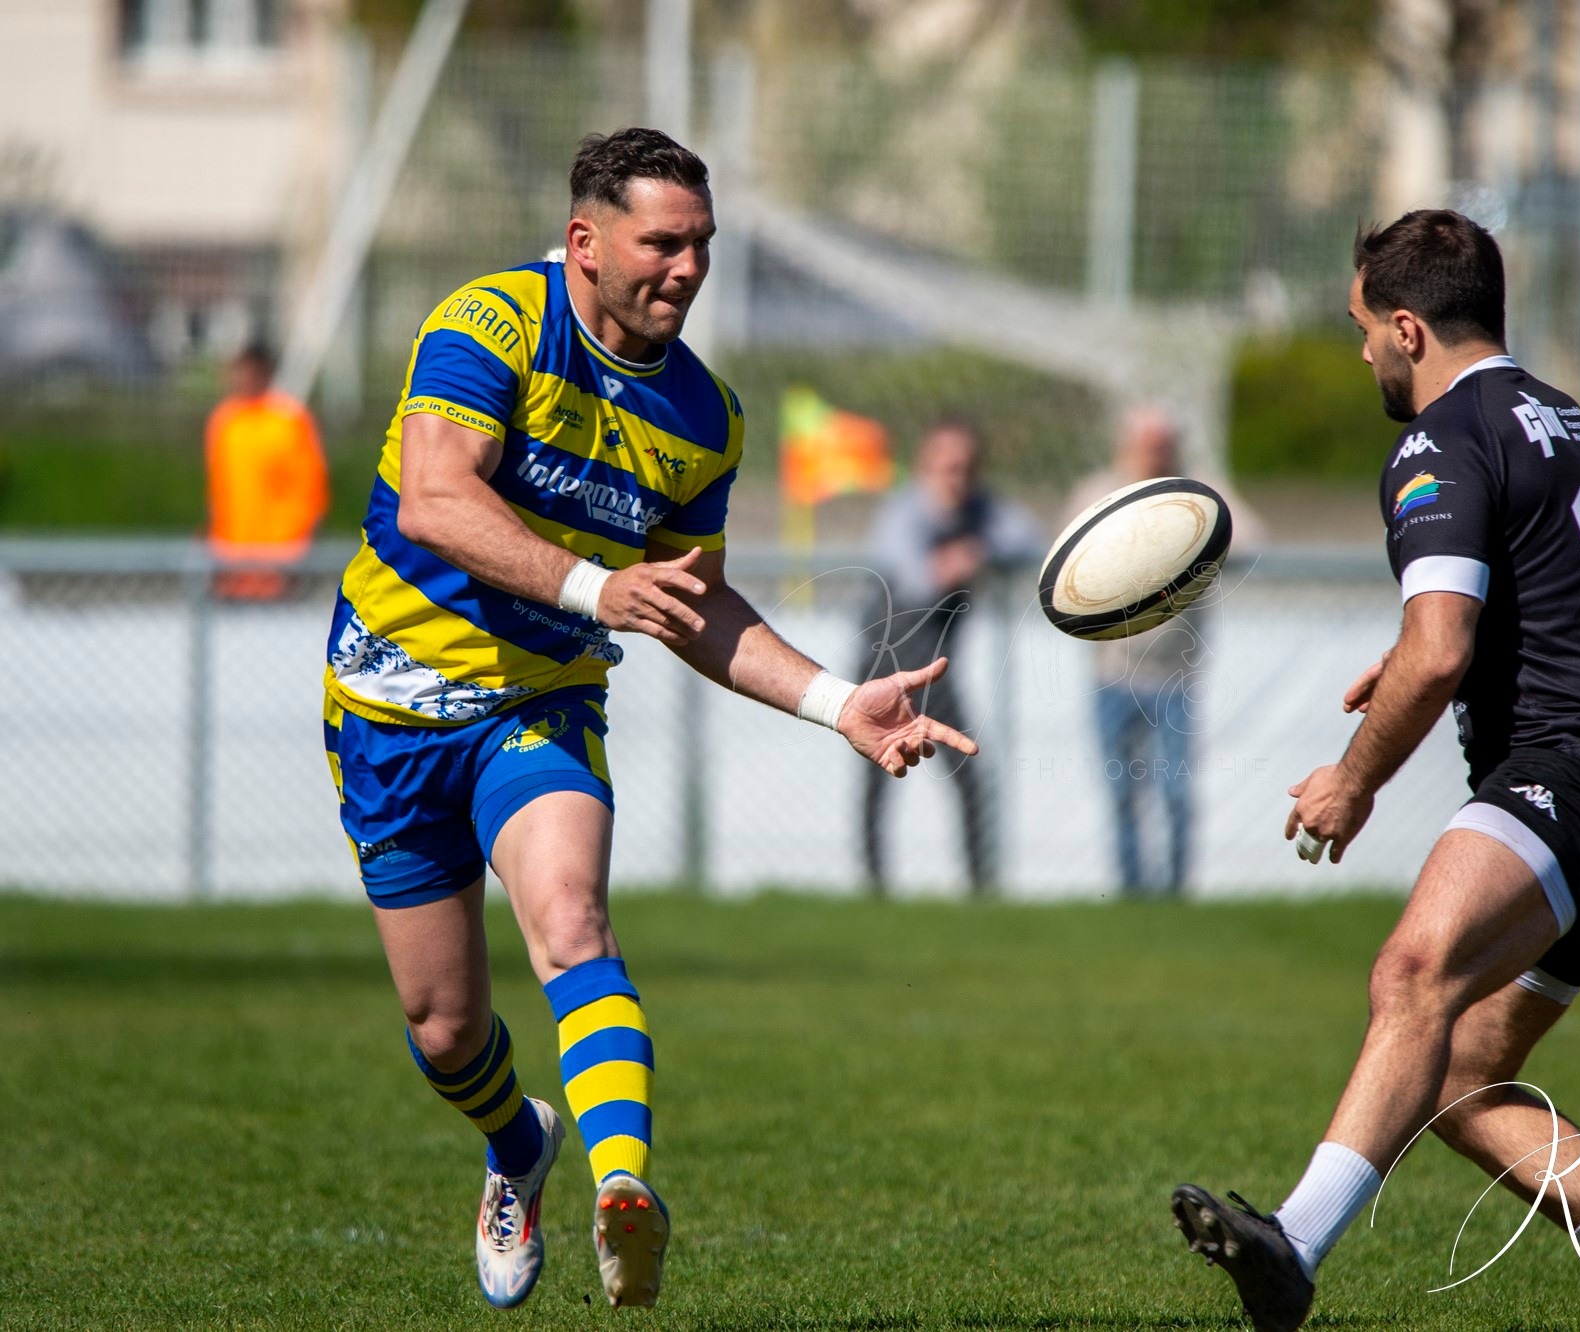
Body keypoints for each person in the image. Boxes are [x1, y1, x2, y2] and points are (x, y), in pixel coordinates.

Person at [320, 128, 975, 1312]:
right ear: (585, 240)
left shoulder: (704, 416)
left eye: (702, 246)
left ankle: (625, 1190)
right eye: (661, 242)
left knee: (571, 919)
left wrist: (839, 703)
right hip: (387, 701)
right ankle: (521, 1145)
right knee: (442, 1026)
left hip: (544, 700)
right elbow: (432, 499)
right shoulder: (492, 323)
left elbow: (696, 603)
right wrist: (592, 586)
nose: (685, 268)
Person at [1170, 211, 1580, 1332]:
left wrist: (1353, 778)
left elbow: (1439, 657)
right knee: (1454, 1076)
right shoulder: (1574, 424)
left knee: (1411, 973)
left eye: (1364, 332)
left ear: (1407, 325)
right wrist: (1447, 640)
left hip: (1569, 776)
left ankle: (1293, 1244)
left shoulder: (1438, 441)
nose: (1363, 356)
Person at [858, 417, 1040, 895]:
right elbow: (917, 577)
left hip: (936, 674)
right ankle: (874, 890)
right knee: (876, 778)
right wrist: (957, 559)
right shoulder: (905, 512)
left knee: (969, 774)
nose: (956, 477)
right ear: (925, 466)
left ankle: (979, 888)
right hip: (883, 666)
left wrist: (975, 548)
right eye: (946, 467)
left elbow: (1027, 537)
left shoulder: (980, 515)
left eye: (965, 467)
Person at [1062, 407, 1224, 898]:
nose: (1154, 453)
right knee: (1121, 793)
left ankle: (1175, 894)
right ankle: (1132, 894)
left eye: (1163, 443)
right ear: (1125, 445)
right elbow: (1064, 563)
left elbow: (1251, 535)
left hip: (1174, 675)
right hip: (1112, 675)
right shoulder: (1097, 495)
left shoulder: (1197, 495)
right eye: (1146, 443)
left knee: (1175, 794)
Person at [205, 342, 329, 599]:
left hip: (279, 559)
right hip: (232, 558)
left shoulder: (288, 419)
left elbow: (310, 489)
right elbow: (219, 490)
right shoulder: (225, 420)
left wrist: (297, 549)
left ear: (265, 372)